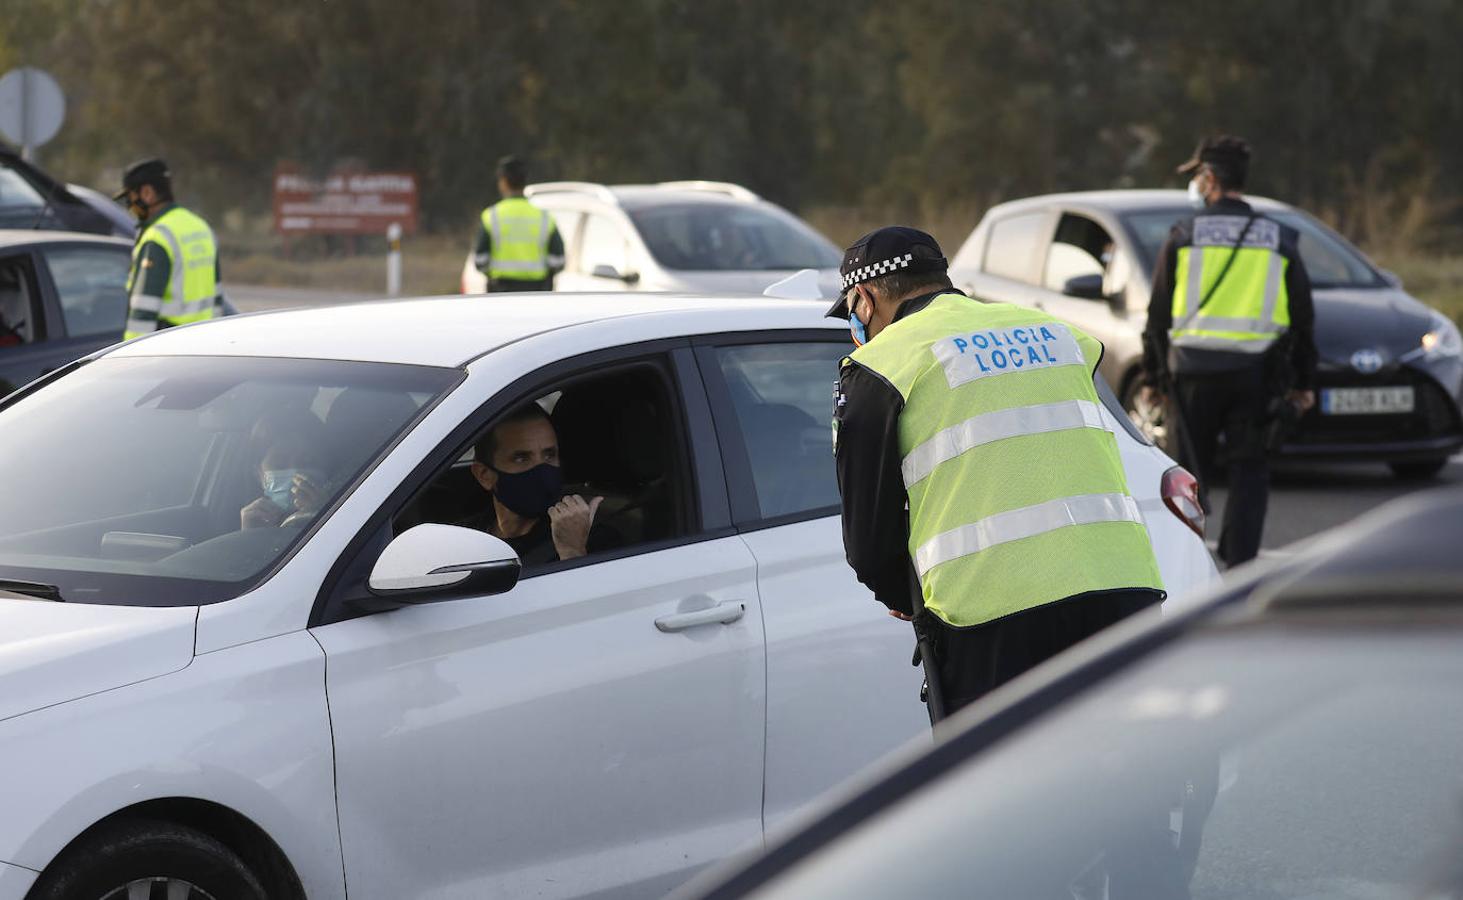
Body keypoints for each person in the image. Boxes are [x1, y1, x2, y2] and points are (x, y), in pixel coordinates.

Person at [830, 226, 1165, 719]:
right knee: (1128, 769)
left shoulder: (881, 364)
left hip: (993, 616)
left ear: (863, 298)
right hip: (1121, 587)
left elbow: (869, 533)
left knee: (1005, 786)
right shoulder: (1053, 332)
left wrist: (899, 594)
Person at [1140, 136, 1317, 568]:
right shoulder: (1279, 238)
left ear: (1212, 178)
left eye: (1199, 175)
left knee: (1185, 478)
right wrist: (1304, 384)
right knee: (1250, 475)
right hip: (1255, 376)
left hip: (1192, 378)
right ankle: (1239, 577)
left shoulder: (1184, 234)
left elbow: (1157, 315)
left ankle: (1183, 568)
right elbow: (1303, 320)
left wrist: (1153, 380)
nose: (1198, 184)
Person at [463, 403, 615, 565]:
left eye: (549, 455)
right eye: (521, 458)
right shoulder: (464, 540)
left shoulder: (591, 537)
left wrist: (572, 553)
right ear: (484, 475)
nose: (541, 469)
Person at [115, 158, 222, 340]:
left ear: (147, 193)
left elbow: (143, 312)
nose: (130, 207)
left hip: (169, 348)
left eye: (130, 199)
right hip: (206, 344)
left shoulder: (158, 236)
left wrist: (131, 359)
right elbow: (217, 298)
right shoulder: (201, 227)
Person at [472, 156, 565, 293]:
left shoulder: (491, 216)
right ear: (524, 182)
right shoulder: (545, 217)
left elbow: (480, 261)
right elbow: (558, 261)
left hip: (501, 294)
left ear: (503, 182)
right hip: (537, 294)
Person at [241, 411, 330, 530]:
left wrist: (324, 515)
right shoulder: (254, 521)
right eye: (280, 465)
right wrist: (249, 536)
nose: (294, 471)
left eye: (306, 462)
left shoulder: (347, 511)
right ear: (259, 475)